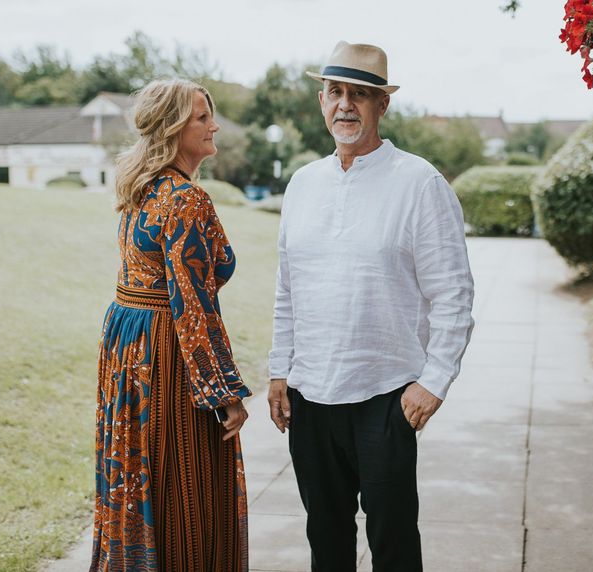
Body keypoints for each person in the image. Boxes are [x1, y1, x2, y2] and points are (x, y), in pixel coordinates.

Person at [267, 41, 475, 571]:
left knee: (395, 543)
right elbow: (287, 288)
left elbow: (453, 293)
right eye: (336, 92)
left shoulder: (420, 183)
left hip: (386, 395)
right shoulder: (302, 184)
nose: (346, 105)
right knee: (327, 543)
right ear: (320, 100)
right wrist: (278, 371)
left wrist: (434, 381)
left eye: (360, 94)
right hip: (310, 395)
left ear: (383, 106)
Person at [90, 78, 251, 571]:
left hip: (127, 345)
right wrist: (223, 390)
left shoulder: (142, 187)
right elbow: (192, 306)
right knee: (184, 484)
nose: (213, 125)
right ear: (174, 127)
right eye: (202, 117)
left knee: (141, 472)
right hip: (165, 355)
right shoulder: (184, 199)